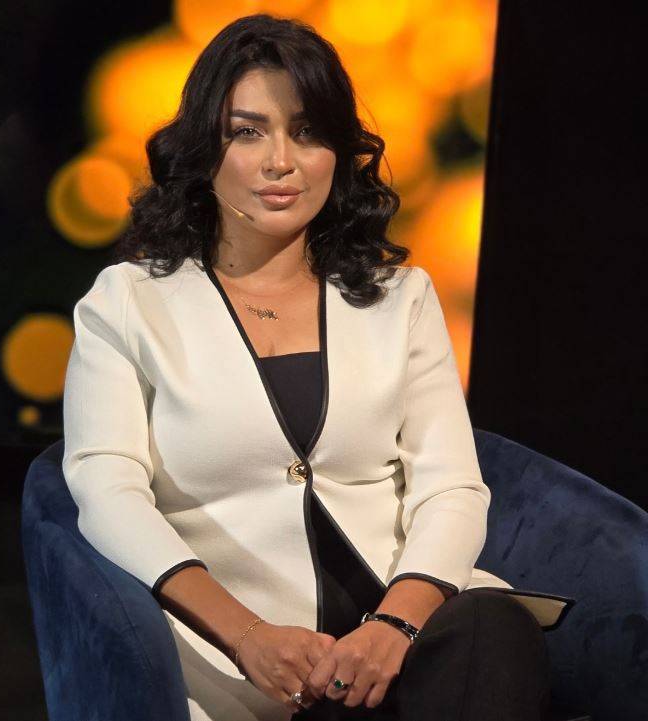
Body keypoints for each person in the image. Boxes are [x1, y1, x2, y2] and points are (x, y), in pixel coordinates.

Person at [61, 13, 573, 721]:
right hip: (252, 668)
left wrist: (392, 627)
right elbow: (107, 490)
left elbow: (452, 488)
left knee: (493, 628)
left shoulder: (402, 299)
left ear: (338, 150)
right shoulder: (128, 303)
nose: (282, 161)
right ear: (204, 150)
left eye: (307, 132)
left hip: (407, 647)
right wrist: (248, 636)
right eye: (248, 132)